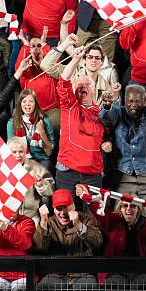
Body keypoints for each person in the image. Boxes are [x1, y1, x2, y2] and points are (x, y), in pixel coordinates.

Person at [100, 83, 146, 212]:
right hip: (124, 177)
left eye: (138, 101)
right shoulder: (119, 112)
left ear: (144, 101)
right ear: (125, 100)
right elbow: (108, 117)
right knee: (122, 216)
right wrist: (107, 106)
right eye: (130, 101)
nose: (134, 105)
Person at [34, 189, 103, 291]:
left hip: (82, 274)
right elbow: (39, 248)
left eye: (66, 208)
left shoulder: (86, 219)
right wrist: (43, 222)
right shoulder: (48, 222)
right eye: (59, 208)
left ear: (73, 206)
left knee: (90, 289)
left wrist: (78, 224)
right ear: (53, 209)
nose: (63, 213)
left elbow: (97, 242)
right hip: (55, 274)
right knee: (43, 288)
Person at [55, 47, 105, 201]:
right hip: (67, 171)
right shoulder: (69, 107)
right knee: (65, 213)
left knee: (94, 216)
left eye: (87, 85)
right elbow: (63, 82)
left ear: (94, 90)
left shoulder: (103, 113)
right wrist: (76, 60)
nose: (83, 87)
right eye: (79, 85)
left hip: (93, 174)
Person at [7, 136, 55, 224]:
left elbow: (50, 191)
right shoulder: (2, 169)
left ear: (25, 152)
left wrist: (40, 184)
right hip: (9, 215)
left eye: (21, 151)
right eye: (14, 152)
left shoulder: (35, 167)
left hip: (30, 215)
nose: (18, 155)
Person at [7, 89, 54, 168]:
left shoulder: (45, 120)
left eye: (31, 101)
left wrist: (41, 131)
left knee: (47, 165)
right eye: (24, 101)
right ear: (20, 104)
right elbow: (11, 149)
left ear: (35, 104)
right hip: (21, 159)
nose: (27, 104)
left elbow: (49, 152)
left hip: (41, 159)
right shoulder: (12, 123)